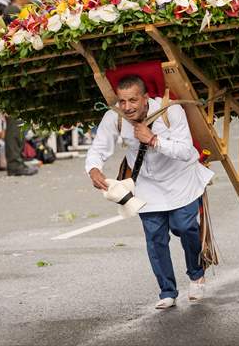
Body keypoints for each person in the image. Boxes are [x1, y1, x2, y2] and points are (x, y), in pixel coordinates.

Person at [85, 75, 213, 309]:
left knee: (185, 228)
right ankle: (167, 291)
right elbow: (99, 147)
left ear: (145, 98)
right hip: (147, 186)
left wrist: (154, 140)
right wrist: (94, 169)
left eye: (133, 100)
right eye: (122, 101)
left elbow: (186, 151)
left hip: (181, 180)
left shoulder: (170, 111)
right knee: (155, 238)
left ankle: (196, 274)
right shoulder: (115, 116)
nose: (127, 107)